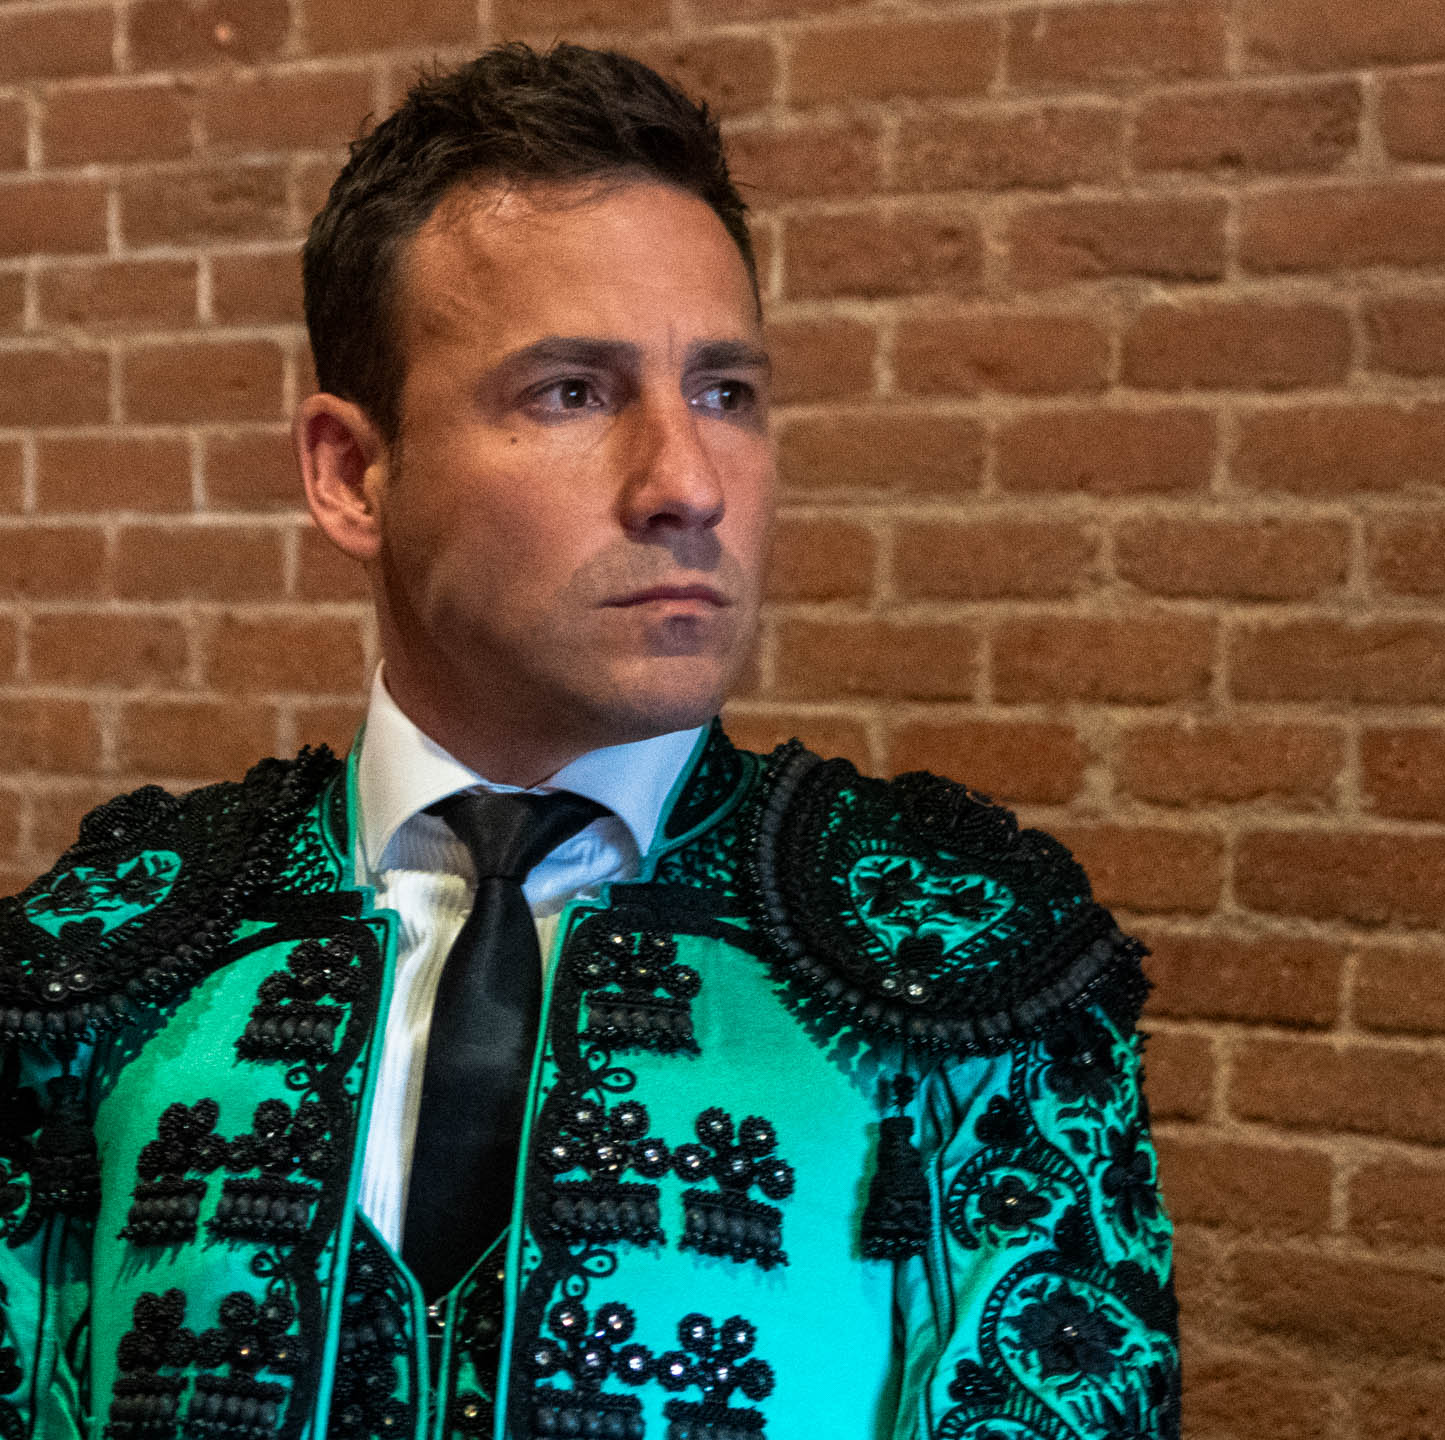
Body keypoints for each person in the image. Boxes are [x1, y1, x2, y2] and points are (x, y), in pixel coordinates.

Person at [0, 42, 1178, 1440]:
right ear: (352, 474)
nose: (688, 484)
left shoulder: (969, 959)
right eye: (571, 392)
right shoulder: (97, 963)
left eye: (726, 393)